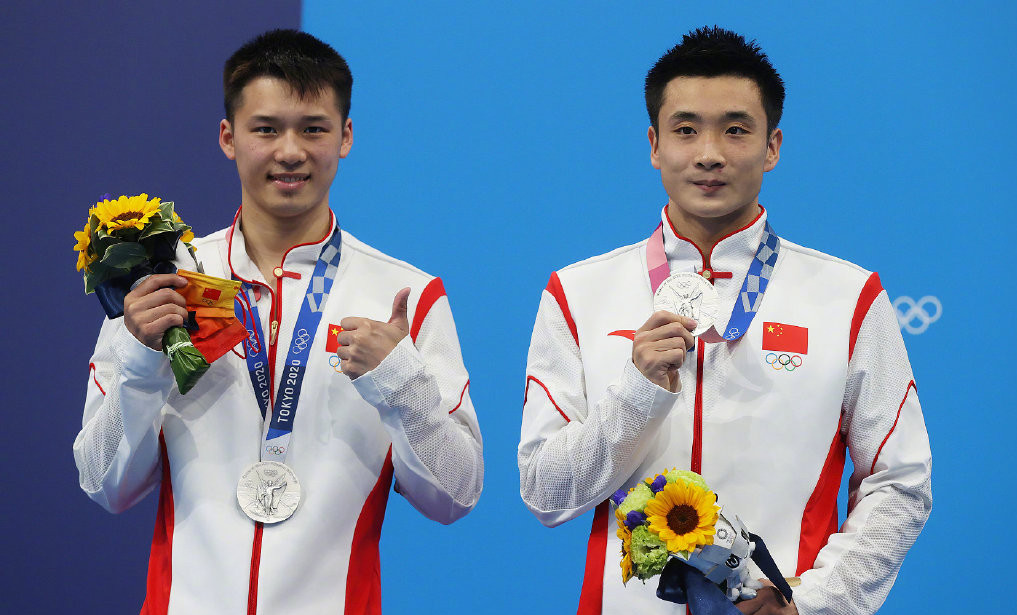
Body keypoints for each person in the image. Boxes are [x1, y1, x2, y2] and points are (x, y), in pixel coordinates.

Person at [518, 26, 931, 614]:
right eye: (685, 129)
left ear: (772, 146)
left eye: (736, 130)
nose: (709, 153)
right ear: (654, 145)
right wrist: (636, 395)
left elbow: (901, 481)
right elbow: (545, 492)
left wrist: (813, 604)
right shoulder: (579, 293)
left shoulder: (848, 297)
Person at [74, 29, 483, 614]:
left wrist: (401, 382)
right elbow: (102, 484)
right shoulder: (161, 285)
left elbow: (456, 495)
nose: (290, 151)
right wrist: (141, 362)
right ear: (228, 137)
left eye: (313, 128)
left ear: (345, 137)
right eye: (266, 129)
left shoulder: (406, 296)